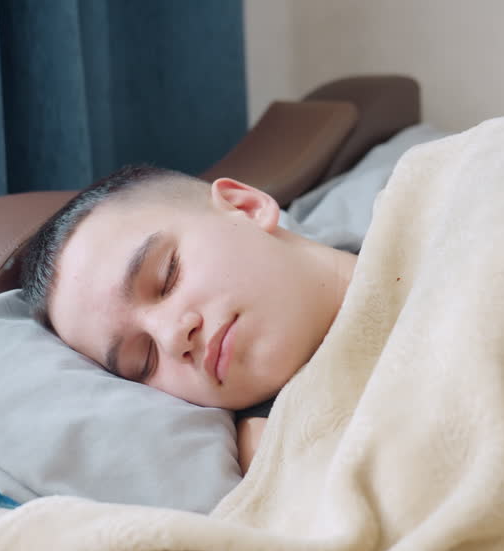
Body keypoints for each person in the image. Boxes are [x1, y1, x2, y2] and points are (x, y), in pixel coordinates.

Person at [20, 164, 358, 472]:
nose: (170, 337)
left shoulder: (410, 206)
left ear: (245, 207)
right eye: (143, 360)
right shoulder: (282, 457)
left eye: (168, 276)